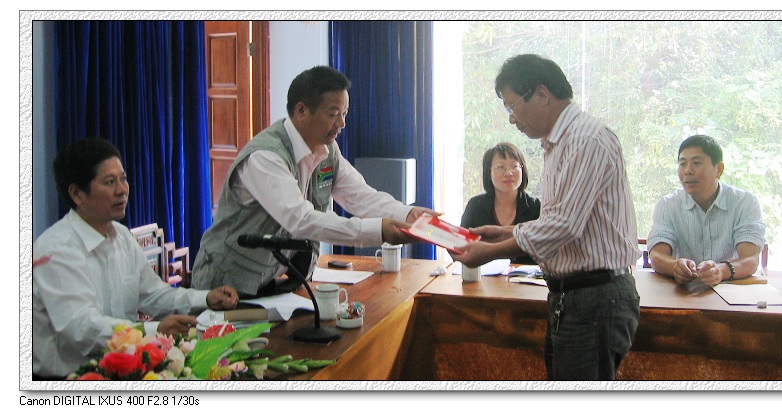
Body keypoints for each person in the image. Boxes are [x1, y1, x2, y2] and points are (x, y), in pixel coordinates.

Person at [450, 54, 641, 380]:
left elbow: (564, 225)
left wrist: (491, 251)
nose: (512, 119)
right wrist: (506, 233)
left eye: (512, 107)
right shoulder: (559, 144)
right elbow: (557, 219)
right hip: (573, 295)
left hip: (595, 297)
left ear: (541, 94)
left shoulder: (585, 139)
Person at [192, 66, 435, 298]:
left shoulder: (327, 151)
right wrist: (377, 231)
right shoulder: (265, 157)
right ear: (301, 111)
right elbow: (301, 220)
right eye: (333, 114)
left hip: (271, 281)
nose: (342, 124)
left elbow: (360, 196)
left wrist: (407, 214)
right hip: (226, 283)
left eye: (344, 114)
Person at [33, 138, 239, 379]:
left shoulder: (120, 235)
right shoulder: (56, 249)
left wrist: (206, 297)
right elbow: (81, 328)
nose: (122, 190)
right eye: (110, 182)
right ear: (77, 194)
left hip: (123, 369)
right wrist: (153, 330)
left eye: (123, 179)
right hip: (66, 381)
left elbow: (153, 294)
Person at [647, 134, 766, 286]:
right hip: (683, 292)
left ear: (719, 170)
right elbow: (657, 255)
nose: (688, 171)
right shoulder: (668, 205)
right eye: (682, 164)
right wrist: (675, 267)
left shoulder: (744, 202)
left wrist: (721, 271)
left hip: (730, 289)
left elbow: (750, 260)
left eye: (697, 163)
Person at [460, 142, 540, 265]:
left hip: (526, 276)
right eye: (501, 167)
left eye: (514, 166)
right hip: (484, 275)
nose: (509, 173)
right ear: (489, 172)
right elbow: (462, 245)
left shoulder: (536, 207)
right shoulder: (475, 206)